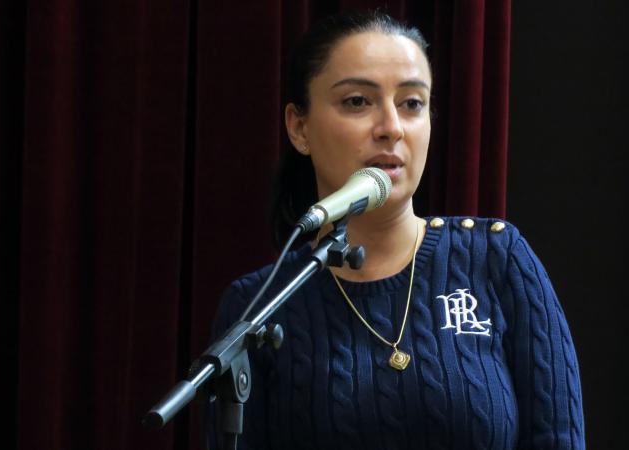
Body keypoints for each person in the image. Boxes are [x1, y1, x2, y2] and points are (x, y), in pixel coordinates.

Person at [207, 10, 585, 450]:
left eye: (412, 104)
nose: (391, 128)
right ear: (299, 127)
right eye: (357, 102)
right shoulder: (258, 307)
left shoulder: (497, 258)